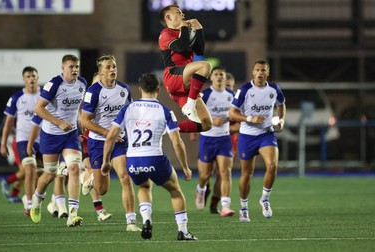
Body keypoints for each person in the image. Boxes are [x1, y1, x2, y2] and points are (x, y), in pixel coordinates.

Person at [101, 73, 197, 240]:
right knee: (175, 191)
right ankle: (183, 231)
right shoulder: (165, 111)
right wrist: (185, 167)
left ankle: (146, 220)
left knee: (144, 187)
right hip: (155, 158)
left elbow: (110, 137)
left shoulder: (128, 108)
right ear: (158, 89)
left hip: (133, 161)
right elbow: (177, 142)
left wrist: (105, 161)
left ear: (139, 89)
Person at [80, 55, 140, 231]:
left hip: (119, 142)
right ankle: (91, 176)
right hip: (98, 142)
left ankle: (131, 221)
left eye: (114, 66)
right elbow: (85, 121)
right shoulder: (93, 92)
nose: (112, 70)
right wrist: (109, 133)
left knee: (125, 177)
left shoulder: (124, 89)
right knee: (102, 189)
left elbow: (130, 113)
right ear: (101, 71)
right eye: (108, 67)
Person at [30, 54, 87, 227]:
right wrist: (59, 122)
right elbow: (38, 108)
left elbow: (79, 106)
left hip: (70, 134)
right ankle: (36, 200)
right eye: (71, 67)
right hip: (51, 134)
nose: (74, 70)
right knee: (49, 175)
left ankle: (72, 215)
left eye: (76, 66)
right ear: (63, 68)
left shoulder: (82, 83)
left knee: (75, 168)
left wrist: (81, 121)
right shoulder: (54, 84)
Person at [229, 60, 286, 222]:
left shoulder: (274, 88)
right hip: (247, 136)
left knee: (273, 165)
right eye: (257, 70)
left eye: (263, 70)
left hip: (266, 134)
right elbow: (232, 113)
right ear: (253, 73)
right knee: (247, 173)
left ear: (267, 73)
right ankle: (244, 207)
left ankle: (265, 199)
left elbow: (282, 105)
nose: (260, 73)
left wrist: (281, 120)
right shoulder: (245, 90)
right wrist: (249, 118)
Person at [158, 4, 212, 133]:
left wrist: (199, 30)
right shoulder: (165, 33)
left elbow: (199, 50)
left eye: (182, 12)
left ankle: (167, 129)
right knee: (206, 66)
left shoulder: (185, 32)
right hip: (173, 76)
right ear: (168, 17)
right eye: (178, 12)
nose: (183, 15)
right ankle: (190, 105)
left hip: (186, 84)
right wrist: (183, 27)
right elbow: (181, 47)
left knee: (206, 124)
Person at [194, 66, 237, 217]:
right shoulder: (205, 95)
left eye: (221, 75)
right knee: (205, 175)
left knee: (225, 172)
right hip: (208, 138)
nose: (219, 77)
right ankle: (200, 190)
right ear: (211, 78)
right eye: (216, 74)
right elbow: (195, 114)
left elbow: (238, 113)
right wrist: (211, 120)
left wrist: (229, 119)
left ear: (225, 79)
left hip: (224, 138)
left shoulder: (232, 95)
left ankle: (225, 205)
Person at [0, 66, 42, 214]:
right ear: (24, 79)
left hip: (42, 139)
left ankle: (36, 198)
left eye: (33, 76)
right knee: (29, 169)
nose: (31, 79)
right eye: (28, 76)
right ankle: (29, 204)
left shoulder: (44, 96)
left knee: (45, 174)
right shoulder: (17, 97)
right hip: (23, 139)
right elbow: (8, 123)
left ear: (37, 78)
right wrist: (4, 144)